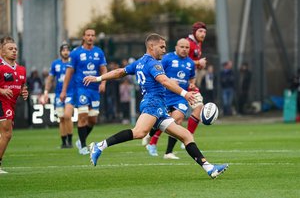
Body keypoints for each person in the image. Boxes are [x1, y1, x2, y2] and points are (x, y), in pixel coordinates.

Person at [83, 33, 228, 179]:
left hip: (159, 106)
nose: (165, 50)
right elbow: (164, 81)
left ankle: (210, 168)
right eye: (162, 47)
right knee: (139, 132)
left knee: (186, 136)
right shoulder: (153, 63)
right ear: (151, 46)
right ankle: (100, 146)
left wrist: (98, 78)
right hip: (153, 102)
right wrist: (185, 93)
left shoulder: (140, 62)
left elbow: (120, 72)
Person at [145, 38, 202, 159]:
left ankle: (168, 152)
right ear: (176, 47)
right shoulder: (167, 58)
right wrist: (168, 80)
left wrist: (192, 84)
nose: (184, 49)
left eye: (187, 48)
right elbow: (157, 73)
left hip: (180, 96)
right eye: (182, 47)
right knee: (162, 120)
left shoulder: (190, 63)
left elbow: (192, 78)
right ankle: (152, 138)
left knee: (178, 119)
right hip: (165, 95)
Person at [60, 28, 107, 155]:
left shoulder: (99, 52)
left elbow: (103, 69)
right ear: (83, 37)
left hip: (94, 90)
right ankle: (83, 146)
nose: (90, 37)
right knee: (83, 116)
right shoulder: (75, 53)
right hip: (81, 89)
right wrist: (64, 91)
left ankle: (81, 140)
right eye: (88, 35)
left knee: (93, 120)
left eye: (92, 35)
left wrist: (103, 82)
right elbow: (69, 73)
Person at [0, 39, 28, 174]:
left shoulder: (21, 69)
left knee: (4, 134)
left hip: (11, 104)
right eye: (10, 49)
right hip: (1, 102)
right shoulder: (0, 67)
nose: (14, 51)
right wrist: (2, 90)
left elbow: (22, 86)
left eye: (15, 49)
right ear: (3, 52)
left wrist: (24, 91)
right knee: (7, 134)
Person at [43, 44, 75, 148]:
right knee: (61, 118)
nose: (65, 52)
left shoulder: (73, 62)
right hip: (58, 94)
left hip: (70, 93)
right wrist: (46, 92)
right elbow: (50, 78)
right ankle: (64, 142)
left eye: (67, 50)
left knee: (67, 116)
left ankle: (70, 140)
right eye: (63, 50)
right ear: (60, 52)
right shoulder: (55, 64)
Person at [185, 22, 207, 139]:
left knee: (175, 116)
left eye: (204, 32)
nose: (203, 34)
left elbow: (191, 64)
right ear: (194, 32)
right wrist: (198, 62)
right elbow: (182, 61)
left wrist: (199, 65)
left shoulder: (198, 44)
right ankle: (188, 137)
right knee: (198, 108)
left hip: (190, 83)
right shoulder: (188, 43)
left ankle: (152, 141)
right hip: (183, 82)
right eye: (200, 31)